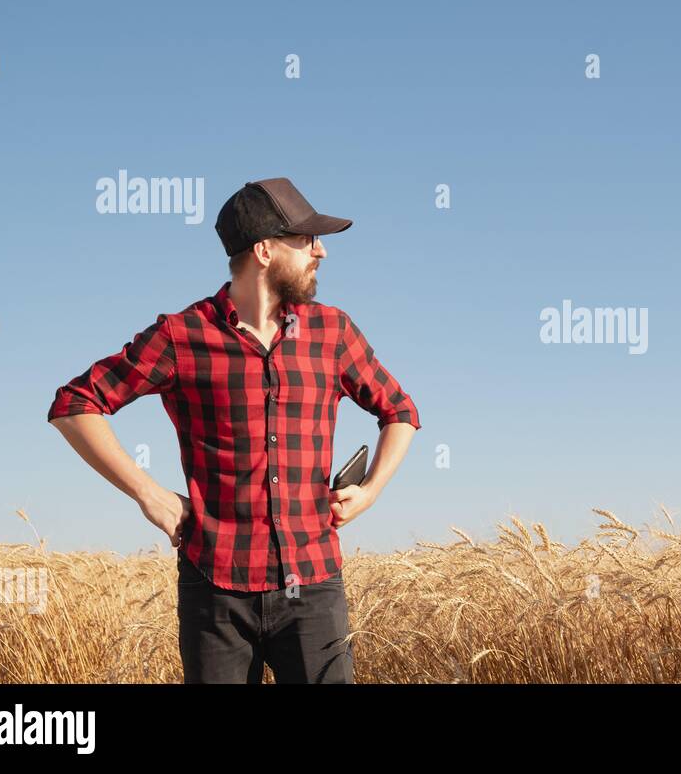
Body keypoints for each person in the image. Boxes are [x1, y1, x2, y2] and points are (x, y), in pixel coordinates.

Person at [47, 177, 421, 683]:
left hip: (312, 585)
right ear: (264, 250)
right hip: (214, 589)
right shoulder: (182, 336)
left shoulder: (333, 332)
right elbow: (75, 404)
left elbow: (399, 410)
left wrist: (371, 491)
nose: (322, 251)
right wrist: (148, 494)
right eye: (306, 240)